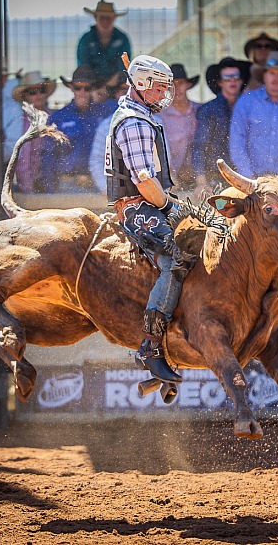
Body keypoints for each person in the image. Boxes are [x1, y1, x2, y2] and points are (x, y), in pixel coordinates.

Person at [105, 54, 195, 384]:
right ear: (142, 85)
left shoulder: (138, 115)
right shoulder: (134, 123)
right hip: (137, 206)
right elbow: (144, 181)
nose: (164, 95)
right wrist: (172, 206)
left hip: (148, 202)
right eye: (159, 88)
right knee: (176, 257)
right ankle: (151, 346)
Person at [42, 65, 103, 193]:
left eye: (87, 88)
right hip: (67, 183)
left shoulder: (102, 115)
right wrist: (50, 189)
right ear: (71, 88)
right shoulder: (58, 117)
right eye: (78, 87)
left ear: (93, 89)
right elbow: (48, 154)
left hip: (97, 183)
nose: (82, 92)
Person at [192, 57, 248, 195]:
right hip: (216, 179)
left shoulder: (248, 108)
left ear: (241, 80)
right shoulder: (209, 110)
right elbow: (199, 146)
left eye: (236, 76)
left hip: (245, 177)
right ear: (220, 82)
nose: (232, 81)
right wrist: (202, 183)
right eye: (227, 77)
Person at [11, 71, 57, 193]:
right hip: (35, 186)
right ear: (25, 96)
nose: (38, 95)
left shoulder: (54, 117)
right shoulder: (24, 123)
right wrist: (29, 192)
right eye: (32, 92)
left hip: (54, 182)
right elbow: (24, 162)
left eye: (41, 90)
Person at [159, 64, 200, 193]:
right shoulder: (159, 115)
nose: (176, 88)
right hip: (169, 180)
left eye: (180, 83)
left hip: (198, 176)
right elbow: (158, 149)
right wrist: (168, 175)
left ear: (187, 84)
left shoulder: (200, 110)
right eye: (172, 84)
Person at [89, 73, 129, 192]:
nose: (127, 95)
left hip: (147, 188)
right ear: (116, 94)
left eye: (130, 90)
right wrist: (105, 188)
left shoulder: (154, 122)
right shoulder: (106, 126)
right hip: (117, 188)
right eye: (123, 90)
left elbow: (164, 160)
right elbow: (97, 160)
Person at [77, 0, 131, 84]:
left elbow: (124, 66)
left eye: (108, 18)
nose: (105, 21)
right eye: (102, 17)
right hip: (91, 84)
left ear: (114, 19)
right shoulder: (86, 39)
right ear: (95, 17)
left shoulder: (122, 38)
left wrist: (108, 86)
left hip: (117, 84)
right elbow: (83, 65)